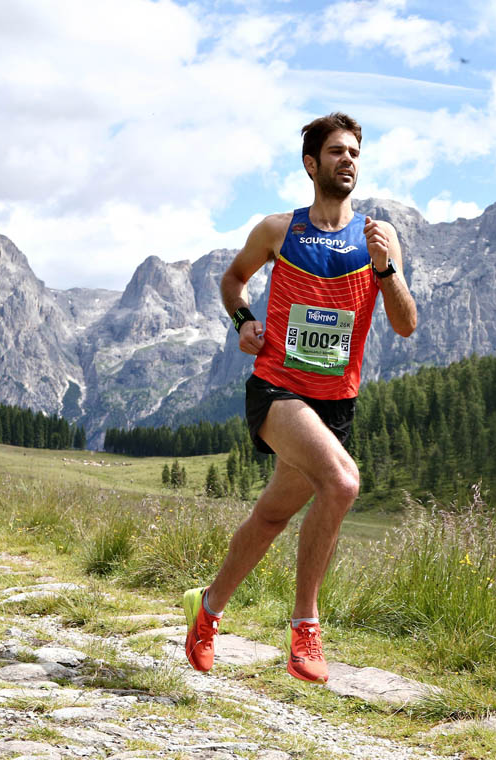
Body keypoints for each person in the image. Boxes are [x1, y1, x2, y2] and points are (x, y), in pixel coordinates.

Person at [183, 112, 418, 683]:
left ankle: (206, 611)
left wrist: (386, 270)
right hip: (277, 388)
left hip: (334, 401)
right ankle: (305, 627)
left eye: (355, 153)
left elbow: (406, 324)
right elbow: (232, 281)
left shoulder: (378, 240)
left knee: (270, 517)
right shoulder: (277, 230)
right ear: (311, 164)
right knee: (341, 482)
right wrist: (242, 321)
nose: (348, 160)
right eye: (337, 152)